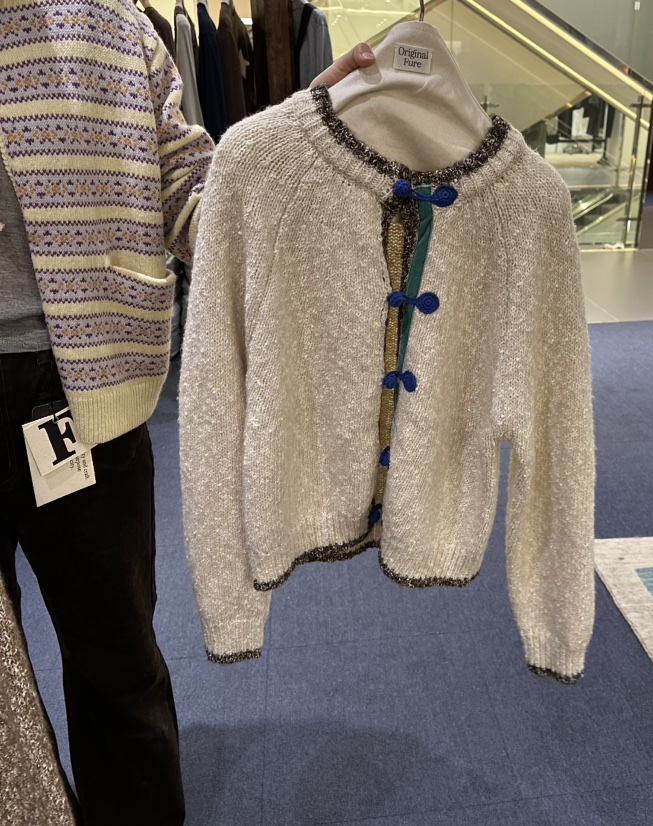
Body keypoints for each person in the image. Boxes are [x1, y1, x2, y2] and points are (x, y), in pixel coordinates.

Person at [0, 1, 375, 823]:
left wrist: (292, 151)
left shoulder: (114, 26)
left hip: (86, 390)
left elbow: (191, 195)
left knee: (118, 661)